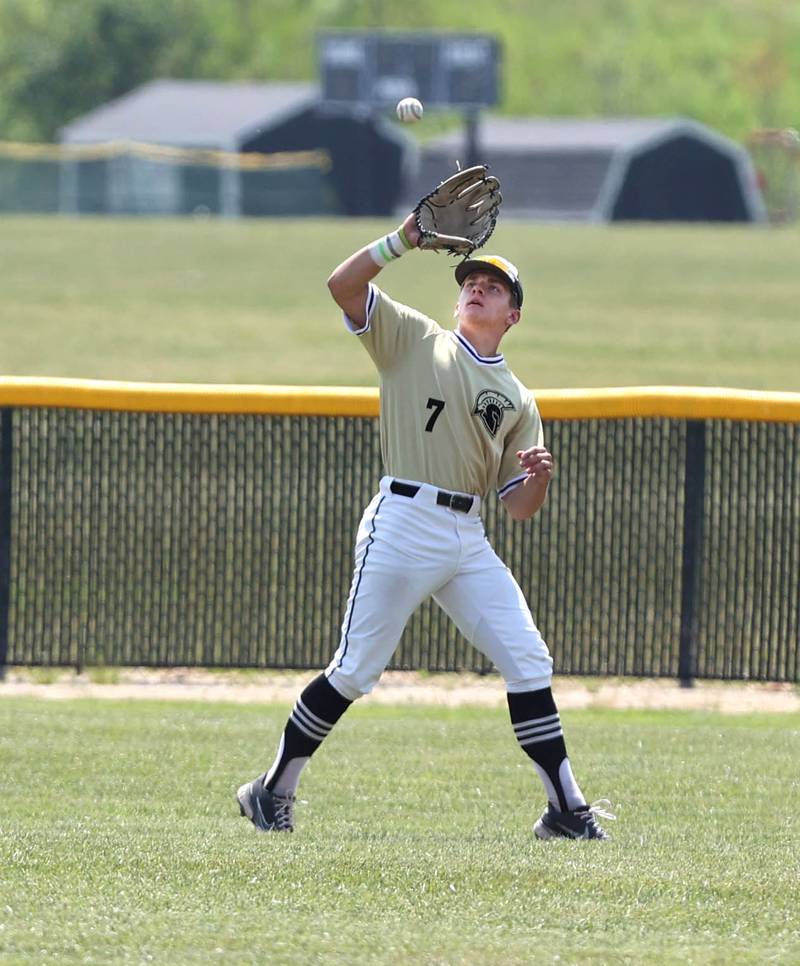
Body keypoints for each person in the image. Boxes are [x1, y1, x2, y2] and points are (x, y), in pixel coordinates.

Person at [237, 210, 613, 840]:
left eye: (494, 287)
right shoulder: (414, 338)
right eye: (471, 280)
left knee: (528, 659)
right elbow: (341, 286)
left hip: (467, 537)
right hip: (405, 520)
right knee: (355, 670)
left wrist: (540, 479)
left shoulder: (519, 399)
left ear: (512, 316)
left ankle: (566, 810)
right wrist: (403, 240)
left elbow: (517, 506)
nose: (477, 288)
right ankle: (272, 789)